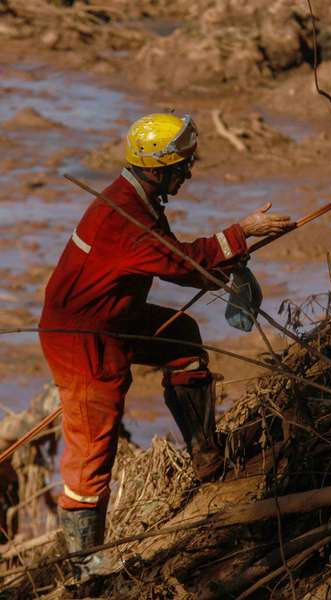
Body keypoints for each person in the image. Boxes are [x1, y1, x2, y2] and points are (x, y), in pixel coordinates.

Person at [39, 113, 293, 575]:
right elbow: (180, 262)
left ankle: (204, 456)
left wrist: (228, 257)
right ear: (157, 169)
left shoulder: (138, 199)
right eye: (181, 166)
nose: (187, 173)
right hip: (82, 338)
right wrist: (242, 233)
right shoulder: (126, 220)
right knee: (93, 441)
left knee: (182, 337)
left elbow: (177, 258)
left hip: (109, 317)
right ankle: (86, 564)